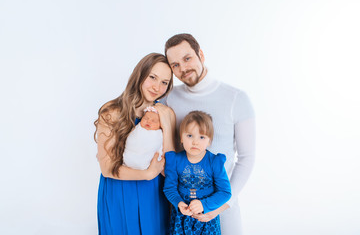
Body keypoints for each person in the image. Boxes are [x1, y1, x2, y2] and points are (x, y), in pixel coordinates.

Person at [162, 34, 255, 235]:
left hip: (224, 208)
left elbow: (247, 159)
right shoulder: (169, 99)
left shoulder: (237, 99)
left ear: (201, 55)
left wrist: (218, 207)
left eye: (187, 58)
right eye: (175, 65)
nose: (183, 68)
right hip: (184, 213)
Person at [94, 53, 176, 235]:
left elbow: (171, 167)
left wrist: (167, 122)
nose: (157, 87)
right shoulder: (112, 112)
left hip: (155, 195)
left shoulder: (166, 113)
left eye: (164, 82)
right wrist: (147, 174)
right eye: (152, 77)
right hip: (120, 191)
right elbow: (107, 168)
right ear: (140, 74)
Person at [164, 111, 231, 235]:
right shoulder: (175, 160)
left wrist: (204, 205)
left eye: (201, 137)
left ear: (209, 141)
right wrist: (179, 203)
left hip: (206, 219)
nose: (195, 142)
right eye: (190, 136)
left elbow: (225, 192)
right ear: (181, 137)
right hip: (181, 217)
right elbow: (169, 188)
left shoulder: (214, 162)